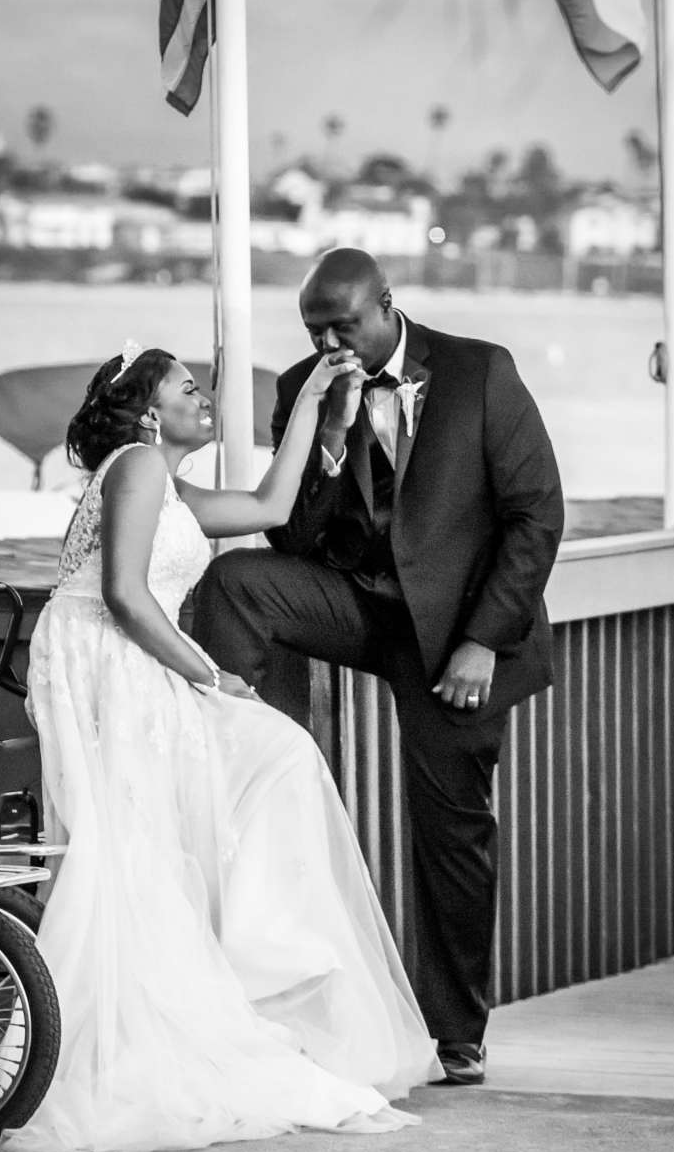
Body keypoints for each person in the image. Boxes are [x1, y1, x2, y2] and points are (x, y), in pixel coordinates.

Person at [12, 342, 438, 1152]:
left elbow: (275, 506)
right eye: (187, 387)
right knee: (138, 841)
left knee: (277, 759)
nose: (204, 397)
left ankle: (256, 956)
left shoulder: (169, 487)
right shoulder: (136, 466)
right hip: (105, 660)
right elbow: (125, 596)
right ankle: (204, 990)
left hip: (141, 659)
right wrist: (210, 677)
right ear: (147, 412)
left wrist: (315, 401)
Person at [193, 249, 564, 1087]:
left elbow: (537, 515)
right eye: (315, 329)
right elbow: (291, 540)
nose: (332, 341)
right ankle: (249, 752)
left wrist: (482, 641)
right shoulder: (304, 388)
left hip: (456, 636)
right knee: (239, 582)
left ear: (386, 306)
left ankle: (456, 1032)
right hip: (363, 607)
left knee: (453, 829)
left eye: (344, 324)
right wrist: (326, 437)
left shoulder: (477, 372)